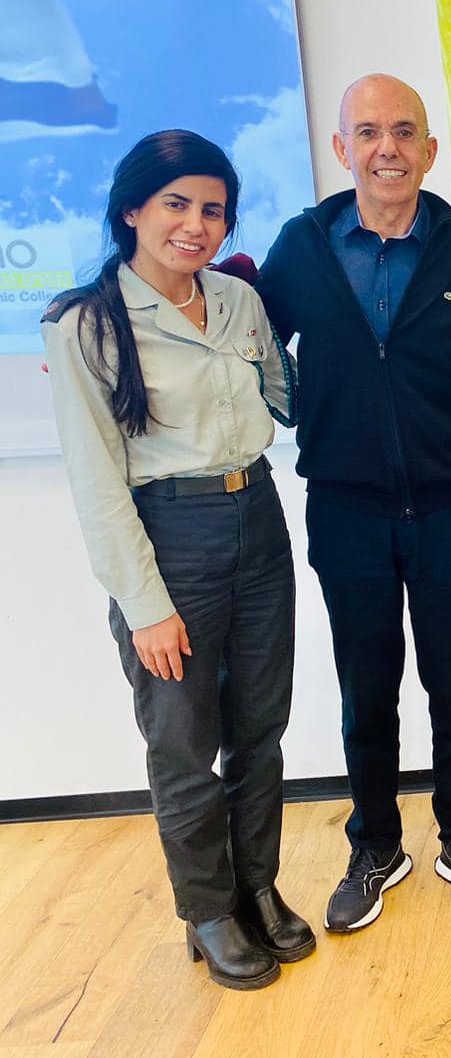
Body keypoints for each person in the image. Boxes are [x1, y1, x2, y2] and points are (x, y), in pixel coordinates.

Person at [256, 74, 451, 929]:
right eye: (369, 132)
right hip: (346, 511)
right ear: (341, 149)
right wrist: (108, 325)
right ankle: (375, 845)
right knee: (366, 688)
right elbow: (235, 333)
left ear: (430, 149)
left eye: (405, 131)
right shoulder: (302, 247)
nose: (388, 148)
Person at [42, 130, 310, 990]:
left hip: (257, 517)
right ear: (132, 209)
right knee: (184, 741)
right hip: (169, 537)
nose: (196, 225)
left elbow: (286, 401)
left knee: (260, 731)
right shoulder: (86, 324)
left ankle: (258, 886)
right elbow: (96, 481)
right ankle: (207, 909)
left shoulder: (236, 299)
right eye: (177, 204)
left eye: (214, 210)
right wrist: (145, 604)